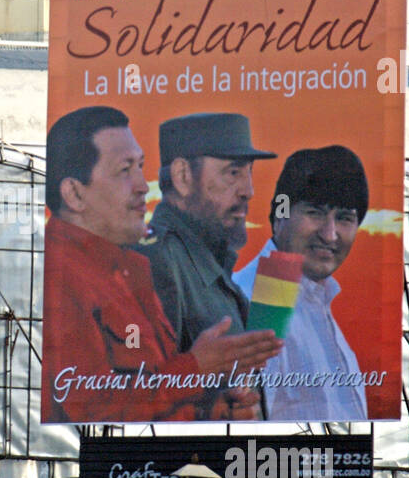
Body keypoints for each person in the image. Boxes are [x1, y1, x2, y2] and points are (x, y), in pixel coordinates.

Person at [42, 106, 281, 423]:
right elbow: (91, 410)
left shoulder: (130, 269)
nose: (143, 185)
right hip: (118, 470)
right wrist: (196, 370)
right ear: (74, 193)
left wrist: (210, 411)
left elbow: (153, 394)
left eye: (140, 166)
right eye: (125, 169)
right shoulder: (62, 277)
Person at [232, 145, 369, 421]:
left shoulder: (314, 300)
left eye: (344, 218)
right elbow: (244, 428)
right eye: (315, 212)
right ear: (280, 212)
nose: (330, 235)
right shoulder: (265, 301)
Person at [136, 113, 278, 352]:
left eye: (249, 172)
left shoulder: (205, 258)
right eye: (233, 172)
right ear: (183, 176)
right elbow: (139, 382)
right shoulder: (159, 259)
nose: (249, 191)